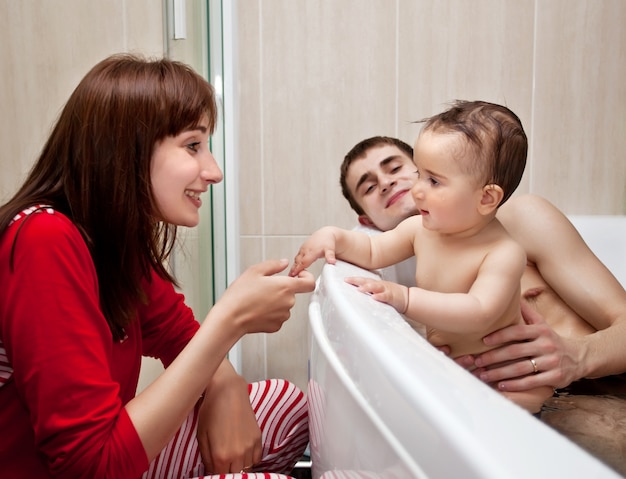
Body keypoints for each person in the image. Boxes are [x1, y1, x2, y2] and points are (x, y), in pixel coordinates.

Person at [0, 54, 316, 478]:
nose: (214, 171)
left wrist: (222, 384)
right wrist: (229, 321)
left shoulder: (109, 240)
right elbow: (88, 467)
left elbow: (177, 334)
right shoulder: (44, 240)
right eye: (193, 145)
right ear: (124, 149)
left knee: (285, 406)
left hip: (106, 458)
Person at [291, 100, 554, 413]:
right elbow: (374, 251)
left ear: (486, 198)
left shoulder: (504, 253)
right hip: (460, 377)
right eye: (420, 175)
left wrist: (405, 298)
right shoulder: (420, 230)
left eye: (433, 181)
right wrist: (334, 236)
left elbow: (479, 310)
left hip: (513, 384)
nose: (416, 190)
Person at [338, 134, 626, 397]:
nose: (386, 183)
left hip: (605, 388)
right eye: (370, 186)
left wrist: (578, 357)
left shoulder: (521, 221)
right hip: (524, 410)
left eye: (395, 168)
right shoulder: (388, 299)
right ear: (367, 222)